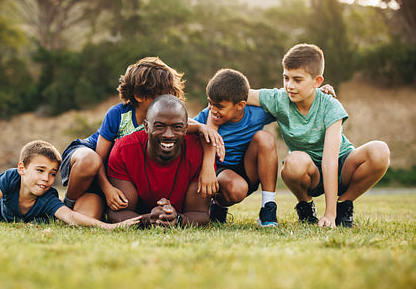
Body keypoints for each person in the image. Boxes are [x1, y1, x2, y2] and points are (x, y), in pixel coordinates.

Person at [61, 57, 221, 221]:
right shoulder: (118, 115)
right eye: (160, 95)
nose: (165, 100)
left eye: (170, 94)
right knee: (90, 161)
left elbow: (194, 130)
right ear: (138, 95)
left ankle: (89, 206)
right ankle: (65, 205)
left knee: (88, 217)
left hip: (113, 170)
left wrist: (203, 130)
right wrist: (108, 189)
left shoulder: (167, 121)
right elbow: (100, 158)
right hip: (92, 158)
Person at [247, 43, 390, 227]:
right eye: (286, 78)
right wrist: (212, 108)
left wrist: (330, 214)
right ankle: (305, 205)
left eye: (297, 80)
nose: (289, 86)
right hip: (309, 172)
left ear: (317, 81)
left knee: (380, 151)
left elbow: (330, 161)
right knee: (293, 163)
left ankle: (343, 205)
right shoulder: (279, 99)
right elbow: (241, 94)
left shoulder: (330, 106)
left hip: (341, 165)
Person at [0, 140, 140, 229]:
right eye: (40, 171)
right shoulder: (12, 178)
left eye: (53, 173)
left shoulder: (47, 197)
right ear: (22, 169)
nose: (46, 178)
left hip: (49, 212)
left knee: (65, 211)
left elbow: (71, 217)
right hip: (4, 214)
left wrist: (109, 226)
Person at [106, 95, 210, 228]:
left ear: (186, 129)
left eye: (177, 127)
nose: (168, 134)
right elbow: (117, 213)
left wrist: (177, 219)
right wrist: (148, 219)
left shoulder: (199, 152)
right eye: (159, 126)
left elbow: (200, 214)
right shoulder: (124, 150)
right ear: (146, 126)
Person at [192, 69, 279, 226]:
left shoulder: (258, 112)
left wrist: (319, 92)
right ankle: (218, 206)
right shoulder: (208, 115)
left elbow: (289, 104)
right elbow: (182, 123)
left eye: (219, 106)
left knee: (265, 138)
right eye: (210, 103)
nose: (213, 109)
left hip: (248, 169)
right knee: (237, 188)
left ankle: (268, 208)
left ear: (240, 105)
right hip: (220, 172)